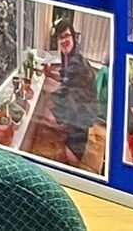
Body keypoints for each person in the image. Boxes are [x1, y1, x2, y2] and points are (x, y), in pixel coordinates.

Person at [47, 19, 101, 169]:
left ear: (73, 37)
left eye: (66, 36)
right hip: (77, 105)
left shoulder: (76, 62)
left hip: (83, 111)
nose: (64, 40)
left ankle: (75, 170)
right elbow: (66, 79)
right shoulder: (67, 56)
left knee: (72, 154)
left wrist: (53, 113)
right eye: (60, 37)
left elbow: (65, 88)